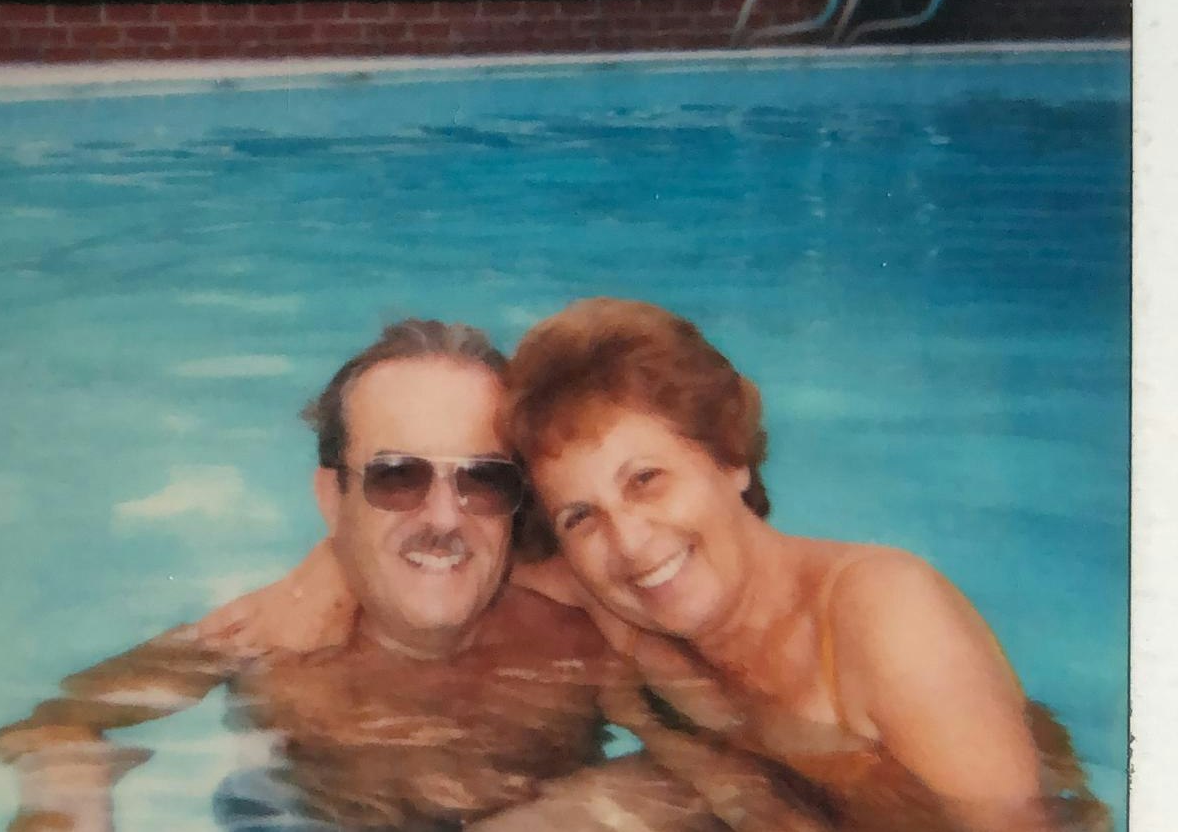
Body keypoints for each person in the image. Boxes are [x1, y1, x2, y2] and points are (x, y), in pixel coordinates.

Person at [210, 300, 1110, 832]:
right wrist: (325, 568)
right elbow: (440, 535)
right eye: (583, 514)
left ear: (730, 456)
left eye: (648, 479)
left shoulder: (884, 614)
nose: (632, 544)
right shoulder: (611, 591)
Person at [0, 319, 821, 832]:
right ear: (333, 496)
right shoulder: (270, 636)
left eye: (483, 479)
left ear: (518, 500)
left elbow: (757, 771)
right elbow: (54, 727)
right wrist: (65, 796)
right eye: (397, 476)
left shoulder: (586, 633)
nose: (443, 514)